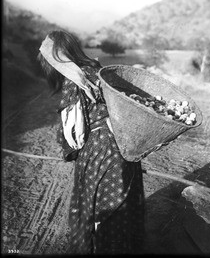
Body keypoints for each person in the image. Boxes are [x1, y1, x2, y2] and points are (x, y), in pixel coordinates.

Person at [37, 30, 145, 254]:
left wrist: (67, 148)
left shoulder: (74, 81)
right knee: (121, 202)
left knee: (99, 210)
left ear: (56, 59)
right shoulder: (98, 70)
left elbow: (71, 134)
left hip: (100, 152)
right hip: (124, 146)